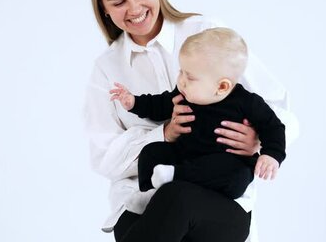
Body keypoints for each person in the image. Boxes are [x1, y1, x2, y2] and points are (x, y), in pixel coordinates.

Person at [84, 0, 299, 242]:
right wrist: (162, 134)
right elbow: (105, 159)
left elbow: (281, 112)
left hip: (218, 204)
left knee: (177, 197)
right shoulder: (106, 70)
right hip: (138, 206)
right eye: (118, 3)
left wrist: (259, 141)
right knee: (153, 210)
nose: (134, 9)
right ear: (103, 9)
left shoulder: (206, 34)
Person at [109, 27, 286, 199]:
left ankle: (175, 176)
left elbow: (273, 127)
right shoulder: (183, 95)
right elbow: (159, 105)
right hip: (184, 154)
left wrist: (271, 155)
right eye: (181, 72)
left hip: (223, 162)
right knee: (151, 152)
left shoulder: (248, 102)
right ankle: (148, 195)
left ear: (221, 86)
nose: (181, 81)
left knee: (237, 177)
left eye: (190, 77)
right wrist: (134, 102)